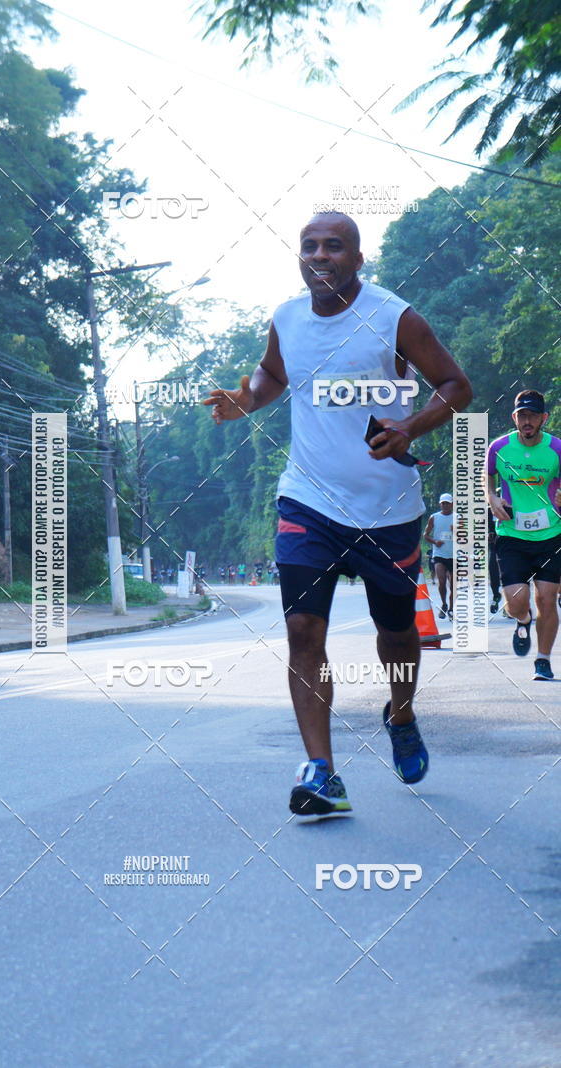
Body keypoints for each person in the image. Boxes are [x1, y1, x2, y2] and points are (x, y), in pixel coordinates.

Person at [204, 212, 472, 816]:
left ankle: (401, 714)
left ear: (357, 258)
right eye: (309, 247)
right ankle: (321, 772)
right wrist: (245, 399)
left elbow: (456, 386)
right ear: (299, 257)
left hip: (389, 510)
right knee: (303, 630)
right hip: (309, 500)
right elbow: (273, 374)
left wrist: (409, 427)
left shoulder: (393, 317)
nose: (319, 255)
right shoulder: (287, 319)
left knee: (397, 635)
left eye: (334, 246)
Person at [487, 389, 561, 681]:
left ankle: (542, 660)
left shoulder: (556, 448)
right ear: (514, 418)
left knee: (547, 598)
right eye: (522, 415)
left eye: (532, 415)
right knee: (517, 600)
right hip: (512, 534)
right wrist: (491, 498)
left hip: (551, 534)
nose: (527, 421)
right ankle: (523, 619)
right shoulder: (499, 447)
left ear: (543, 418)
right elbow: (487, 476)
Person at [423, 493, 454, 620]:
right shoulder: (434, 517)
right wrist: (435, 542)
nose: (445, 505)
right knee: (441, 582)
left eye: (447, 503)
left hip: (454, 556)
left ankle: (451, 609)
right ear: (440, 504)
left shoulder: (458, 517)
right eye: (443, 503)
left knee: (453, 585)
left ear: (452, 504)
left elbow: (465, 537)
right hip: (439, 554)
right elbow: (426, 535)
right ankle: (444, 604)